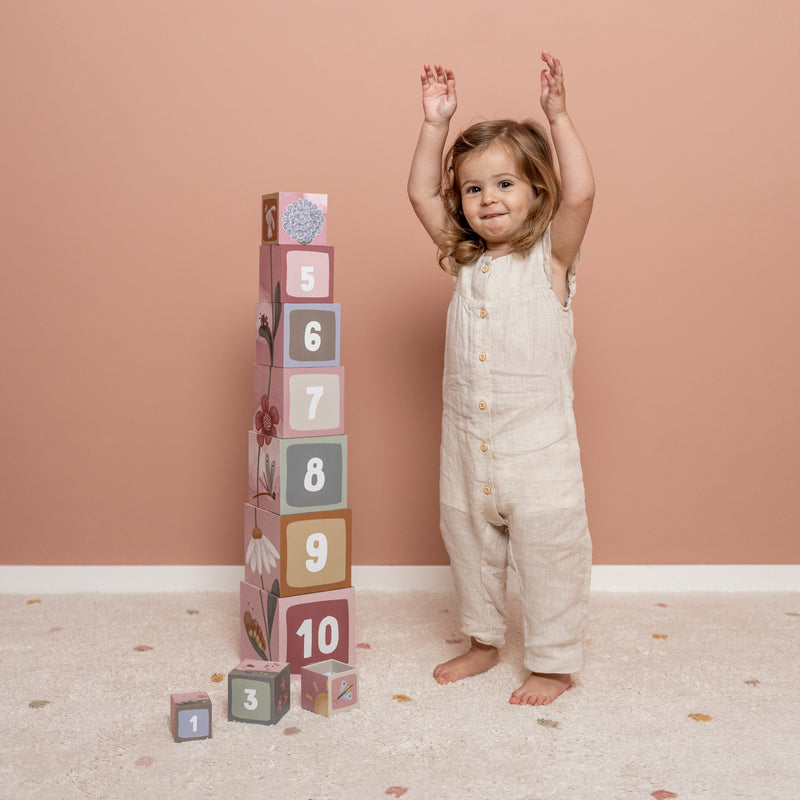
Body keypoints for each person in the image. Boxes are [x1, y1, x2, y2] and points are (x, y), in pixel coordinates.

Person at [407, 53, 595, 706]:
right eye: (475, 189)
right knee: (470, 545)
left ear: (536, 193)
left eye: (506, 185)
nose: (488, 200)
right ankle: (483, 641)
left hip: (537, 445)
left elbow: (582, 193)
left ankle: (553, 659)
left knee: (551, 555)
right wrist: (436, 125)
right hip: (467, 442)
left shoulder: (552, 260)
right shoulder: (464, 261)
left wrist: (558, 115)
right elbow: (421, 194)